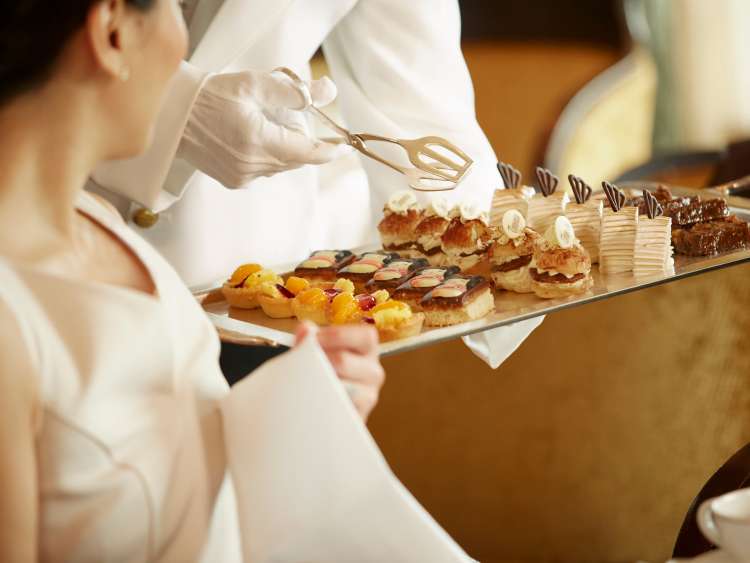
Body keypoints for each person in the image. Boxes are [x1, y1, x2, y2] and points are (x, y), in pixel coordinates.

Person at [0, 1, 384, 560]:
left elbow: (196, 508)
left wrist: (298, 424)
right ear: (111, 31)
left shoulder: (105, 229)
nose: (187, 52)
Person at [89, 0, 544, 370]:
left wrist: (509, 264)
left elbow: (416, 103)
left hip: (264, 299)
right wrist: (168, 110)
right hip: (61, 249)